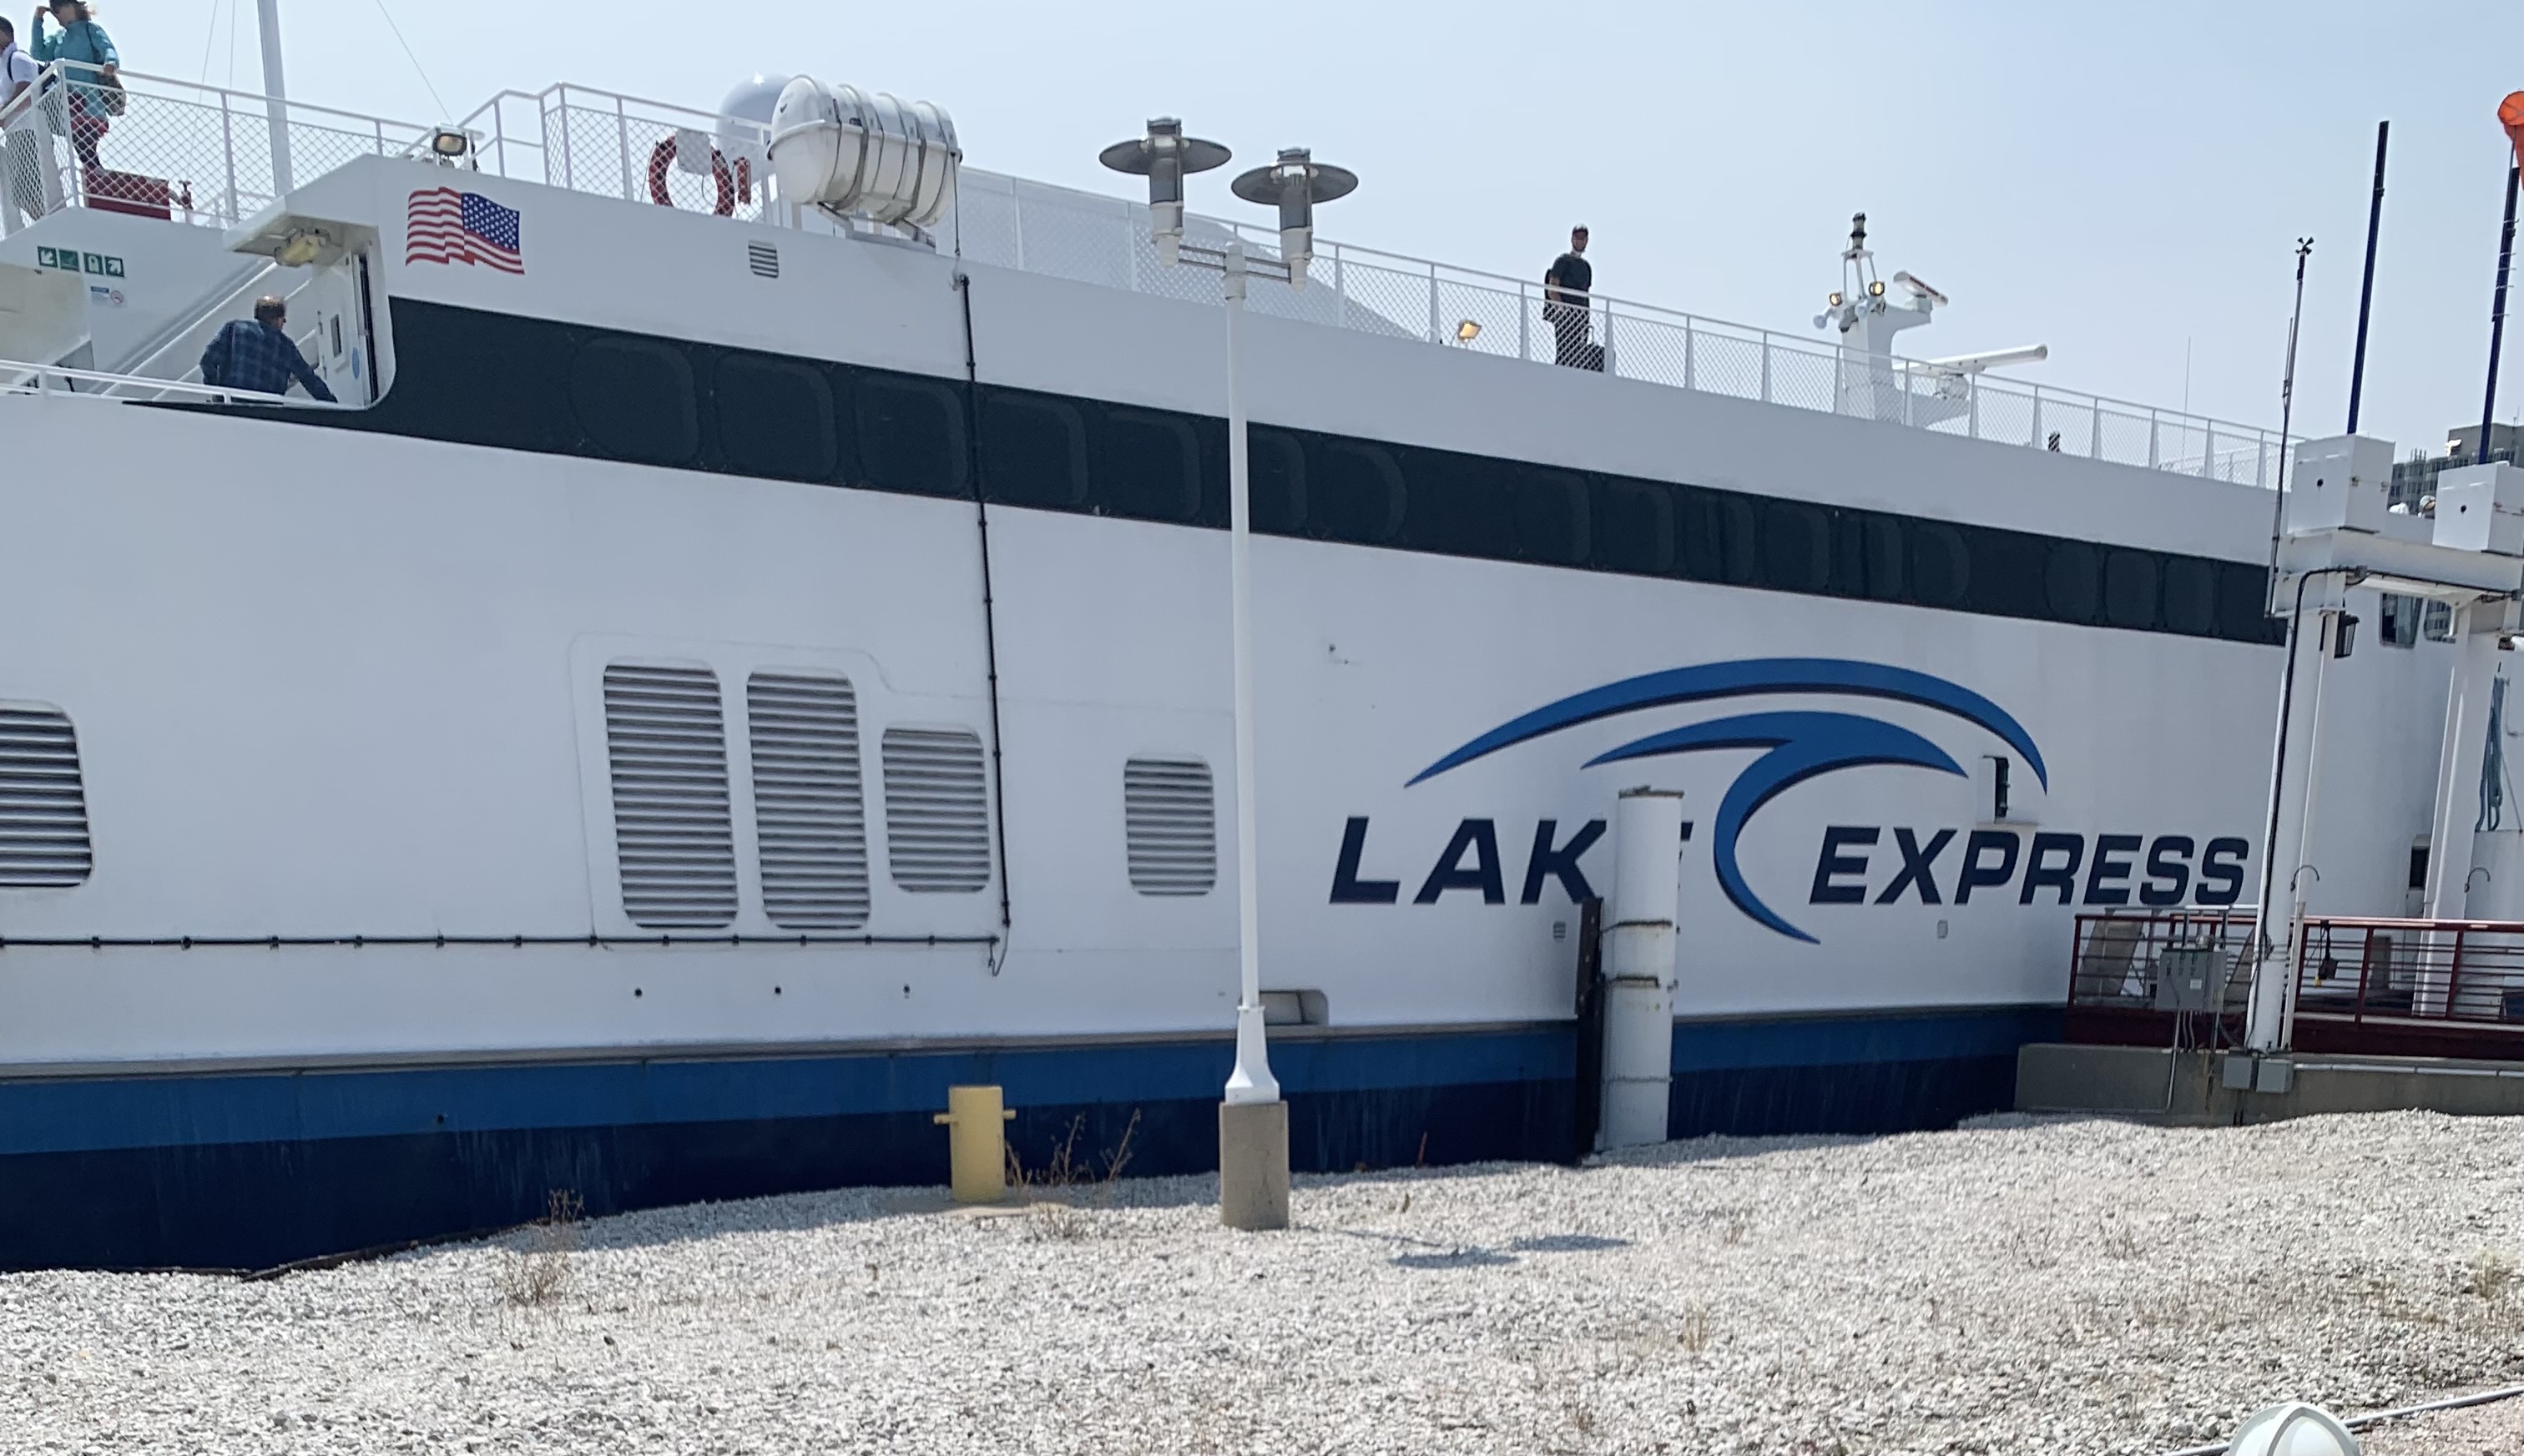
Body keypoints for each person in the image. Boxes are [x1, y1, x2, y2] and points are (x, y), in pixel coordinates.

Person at [28, 0, 114, 174]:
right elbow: (39, 53)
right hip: (70, 99)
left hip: (90, 98)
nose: (56, 14)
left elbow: (107, 48)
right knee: (79, 136)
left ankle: (96, 171)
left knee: (84, 135)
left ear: (70, 7)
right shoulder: (60, 36)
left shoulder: (91, 30)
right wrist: (37, 22)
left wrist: (111, 62)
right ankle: (96, 170)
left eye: (58, 9)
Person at [199, 296, 336, 403]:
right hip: (267, 413)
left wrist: (218, 393)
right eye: (284, 321)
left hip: (234, 406)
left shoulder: (233, 329)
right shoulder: (285, 345)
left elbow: (207, 360)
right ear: (278, 320)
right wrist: (333, 405)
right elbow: (309, 380)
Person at [1544, 225, 1597, 370]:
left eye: (1583, 238)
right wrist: (1562, 308)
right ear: (1572, 239)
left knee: (1579, 355)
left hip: (1581, 318)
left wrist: (1586, 316)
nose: (1580, 241)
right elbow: (1553, 287)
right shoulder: (1563, 261)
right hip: (1565, 316)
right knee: (1564, 352)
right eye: (1577, 238)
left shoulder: (1586, 267)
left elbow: (1585, 294)